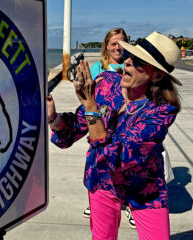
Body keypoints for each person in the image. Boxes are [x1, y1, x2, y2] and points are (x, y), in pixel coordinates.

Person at [47, 31, 181, 239]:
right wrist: (53, 117)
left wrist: (91, 106)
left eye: (138, 61)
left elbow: (123, 155)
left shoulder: (162, 110)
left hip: (144, 188)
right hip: (102, 180)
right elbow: (76, 127)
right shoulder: (107, 84)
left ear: (157, 75)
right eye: (130, 56)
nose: (128, 62)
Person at [83, 27, 129, 221]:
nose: (117, 47)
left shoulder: (131, 65)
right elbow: (88, 97)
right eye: (113, 44)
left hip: (127, 124)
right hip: (102, 124)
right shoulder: (98, 68)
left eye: (121, 43)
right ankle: (98, 201)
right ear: (107, 47)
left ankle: (129, 205)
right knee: (101, 164)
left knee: (125, 165)